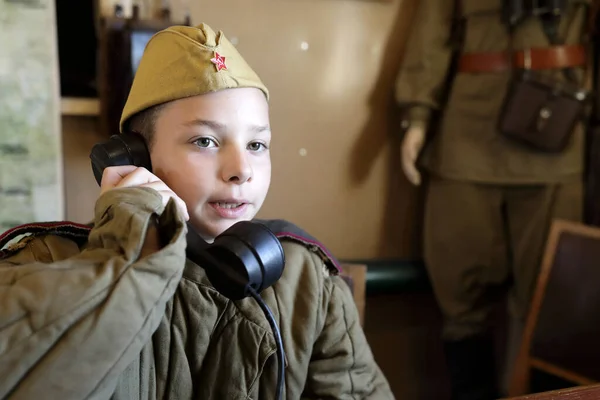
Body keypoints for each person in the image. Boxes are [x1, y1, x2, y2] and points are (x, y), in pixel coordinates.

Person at [0, 23, 394, 399]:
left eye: (257, 145)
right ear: (134, 156)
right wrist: (129, 237)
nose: (241, 170)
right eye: (205, 140)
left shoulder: (306, 280)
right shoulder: (46, 260)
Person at [395, 0, 592, 399]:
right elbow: (432, 34)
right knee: (458, 284)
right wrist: (418, 116)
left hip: (559, 130)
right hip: (469, 135)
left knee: (551, 294)